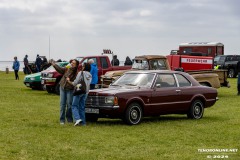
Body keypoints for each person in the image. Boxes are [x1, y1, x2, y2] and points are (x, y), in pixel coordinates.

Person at [50, 59, 79, 125]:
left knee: (69, 105)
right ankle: (62, 120)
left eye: (74, 63)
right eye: (71, 62)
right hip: (62, 87)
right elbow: (60, 70)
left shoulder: (76, 72)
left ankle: (69, 119)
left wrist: (69, 80)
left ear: (76, 65)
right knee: (62, 105)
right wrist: (54, 65)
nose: (72, 64)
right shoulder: (67, 68)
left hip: (70, 89)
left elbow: (75, 82)